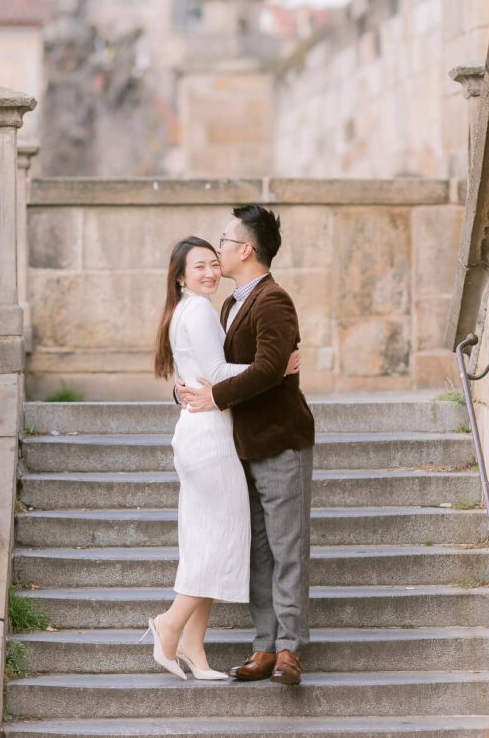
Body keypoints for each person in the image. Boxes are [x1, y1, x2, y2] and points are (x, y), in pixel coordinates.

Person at [142, 236, 299, 681]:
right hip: (209, 438)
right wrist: (274, 366)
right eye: (199, 268)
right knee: (219, 541)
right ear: (180, 277)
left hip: (199, 433)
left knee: (203, 541)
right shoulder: (200, 311)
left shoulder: (184, 311)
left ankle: (195, 649)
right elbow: (214, 374)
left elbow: (196, 376)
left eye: (214, 264)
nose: (210, 273)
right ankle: (169, 625)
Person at [179, 206, 315, 686]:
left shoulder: (273, 299)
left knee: (286, 547)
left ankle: (288, 650)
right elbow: (220, 366)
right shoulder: (230, 303)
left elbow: (269, 366)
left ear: (246, 249)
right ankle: (262, 646)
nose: (218, 249)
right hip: (242, 447)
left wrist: (215, 396)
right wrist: (187, 389)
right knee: (258, 550)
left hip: (280, 441)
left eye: (224, 240)